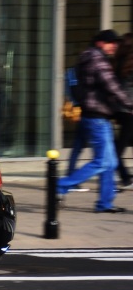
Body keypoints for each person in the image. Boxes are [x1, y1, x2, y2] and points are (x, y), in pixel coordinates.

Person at [56, 30, 133, 213]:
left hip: (99, 115)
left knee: (111, 162)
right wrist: (129, 103)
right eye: (110, 42)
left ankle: (105, 203)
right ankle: (60, 185)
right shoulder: (97, 59)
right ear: (100, 43)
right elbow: (111, 86)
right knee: (102, 162)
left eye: (115, 42)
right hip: (96, 116)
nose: (114, 45)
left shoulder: (92, 57)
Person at [114, 32, 133, 187]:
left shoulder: (118, 62)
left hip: (120, 108)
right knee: (119, 148)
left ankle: (125, 176)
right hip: (129, 109)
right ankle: (124, 178)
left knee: (120, 145)